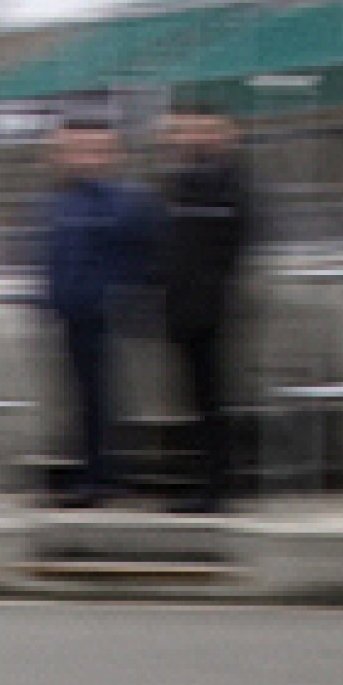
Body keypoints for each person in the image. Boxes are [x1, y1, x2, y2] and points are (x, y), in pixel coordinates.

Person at [33, 119, 163, 507]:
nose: (80, 159)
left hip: (104, 315)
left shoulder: (126, 202)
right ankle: (93, 472)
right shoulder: (61, 202)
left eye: (93, 150)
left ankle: (103, 476)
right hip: (72, 312)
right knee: (85, 399)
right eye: (72, 150)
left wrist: (121, 296)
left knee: (102, 399)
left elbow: (143, 257)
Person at [160, 104, 257, 513]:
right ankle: (205, 481)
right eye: (184, 131)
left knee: (212, 398)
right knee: (196, 399)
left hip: (211, 307)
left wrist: (212, 288)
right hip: (182, 307)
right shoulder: (180, 183)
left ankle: (217, 485)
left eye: (203, 130)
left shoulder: (232, 184)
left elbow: (238, 243)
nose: (192, 138)